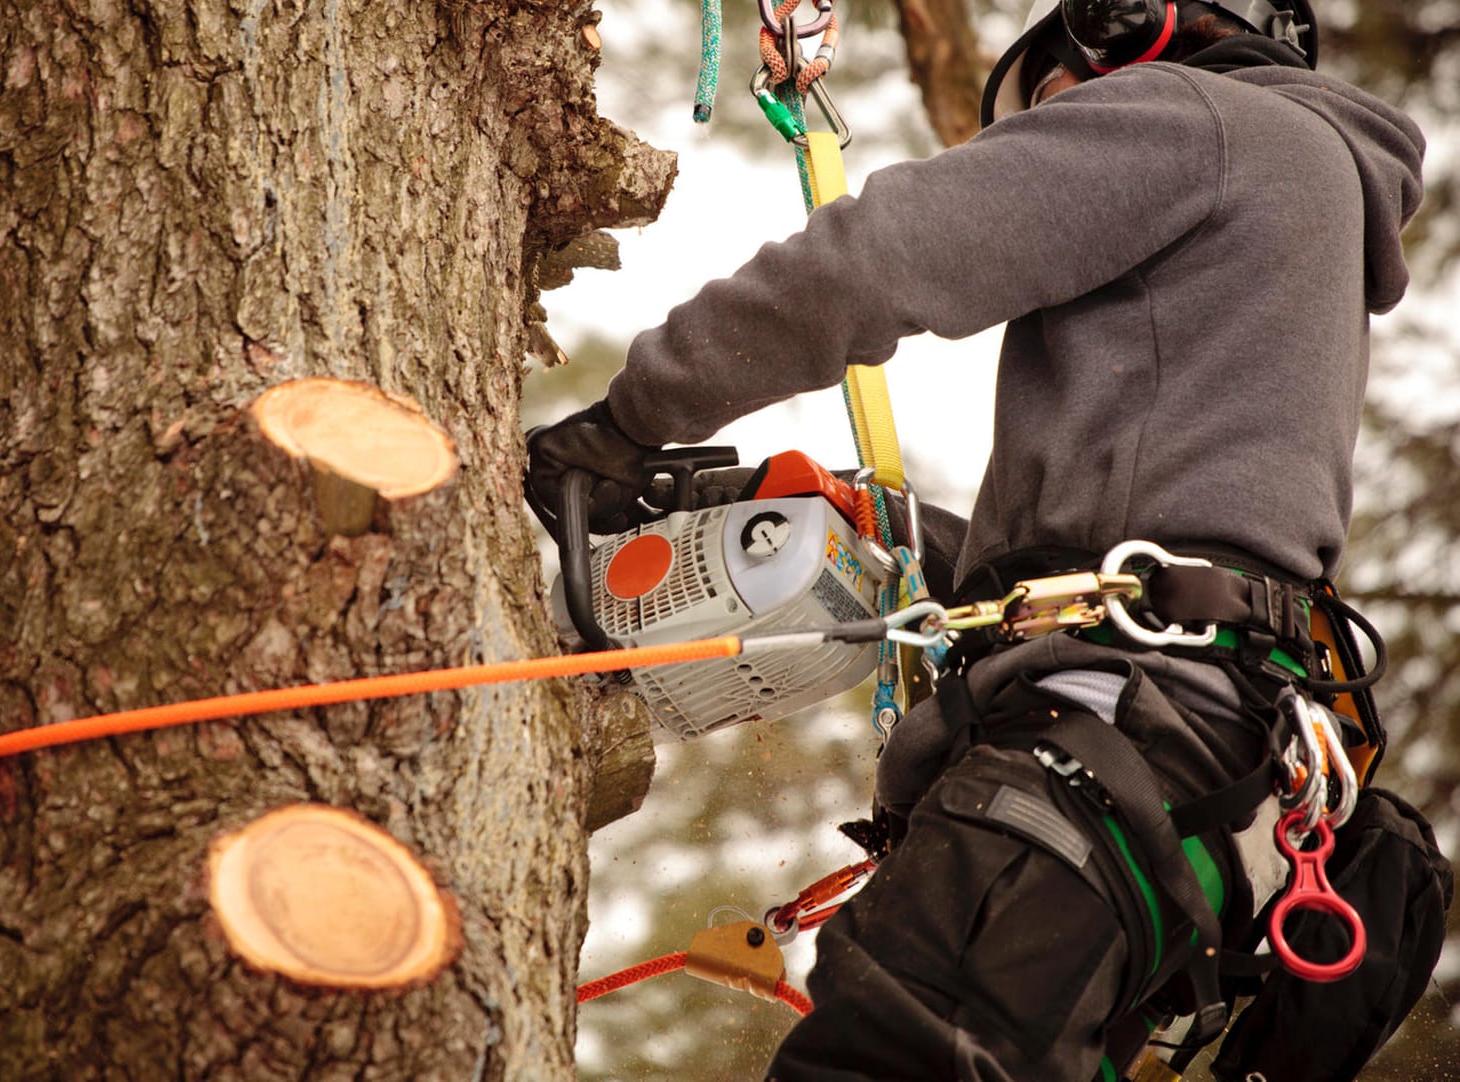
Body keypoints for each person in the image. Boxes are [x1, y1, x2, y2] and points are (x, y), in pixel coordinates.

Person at [527, 1, 1448, 1078]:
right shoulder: (1306, 198)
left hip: (1101, 756)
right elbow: (1177, 539)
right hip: (1202, 777)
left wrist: (630, 418)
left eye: (1059, 97)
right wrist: (899, 530)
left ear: (1135, 29)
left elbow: (880, 257)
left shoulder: (1198, 118)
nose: (1058, 131)